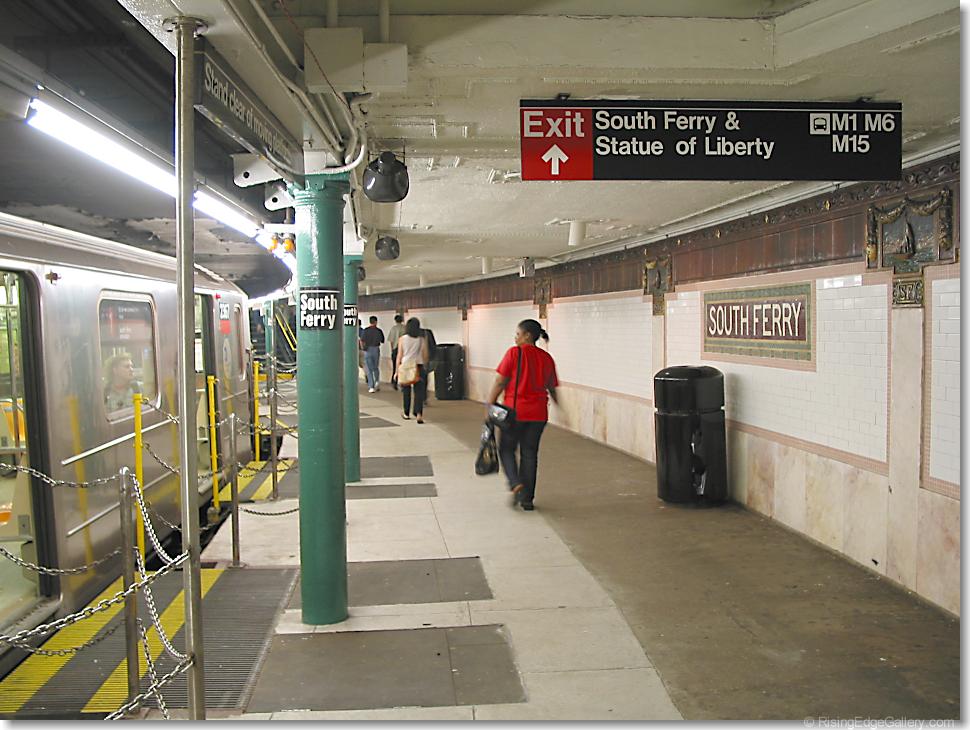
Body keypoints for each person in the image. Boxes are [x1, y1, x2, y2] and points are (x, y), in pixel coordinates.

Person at [485, 319, 558, 511]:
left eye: (518, 334)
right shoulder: (546, 358)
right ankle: (527, 499)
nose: (515, 338)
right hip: (539, 414)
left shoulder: (514, 353)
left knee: (506, 449)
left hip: (515, 413)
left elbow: (500, 381)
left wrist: (490, 403)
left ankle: (516, 483)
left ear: (527, 335)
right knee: (530, 454)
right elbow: (551, 386)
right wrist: (559, 405)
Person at [396, 317, 429, 423]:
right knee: (419, 392)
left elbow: (399, 355)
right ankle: (419, 414)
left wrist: (397, 370)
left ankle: (406, 413)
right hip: (418, 366)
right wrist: (425, 364)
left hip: (406, 366)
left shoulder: (402, 339)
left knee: (406, 391)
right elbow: (425, 355)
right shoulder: (421, 339)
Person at [360, 316, 385, 393]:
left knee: (369, 369)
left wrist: (363, 348)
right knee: (376, 367)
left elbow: (361, 340)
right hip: (376, 349)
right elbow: (382, 340)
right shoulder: (379, 331)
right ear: (376, 322)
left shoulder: (366, 330)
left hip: (367, 350)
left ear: (370, 321)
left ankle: (371, 386)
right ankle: (377, 382)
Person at [388, 314, 405, 390]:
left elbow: (391, 341)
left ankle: (394, 382)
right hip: (403, 350)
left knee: (395, 367)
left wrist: (392, 350)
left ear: (395, 320)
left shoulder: (393, 329)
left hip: (395, 349)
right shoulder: (405, 328)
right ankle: (402, 384)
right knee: (403, 368)